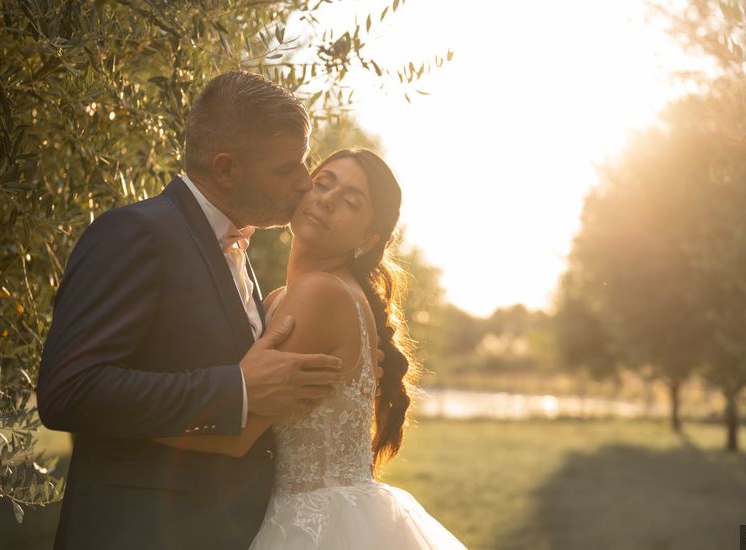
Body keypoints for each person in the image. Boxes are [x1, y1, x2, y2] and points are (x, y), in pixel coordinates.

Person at [36, 71, 350, 549]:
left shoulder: (235, 247)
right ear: (225, 170)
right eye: (287, 169)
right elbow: (69, 390)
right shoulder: (135, 234)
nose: (304, 184)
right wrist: (238, 388)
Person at [158, 148, 468, 548]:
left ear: (368, 238)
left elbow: (238, 436)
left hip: (317, 525)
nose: (326, 199)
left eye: (351, 202)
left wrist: (121, 424)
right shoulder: (277, 299)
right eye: (323, 183)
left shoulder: (321, 292)